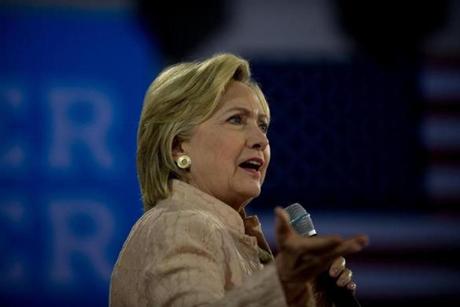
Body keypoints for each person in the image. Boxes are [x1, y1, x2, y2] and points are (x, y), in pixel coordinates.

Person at [109, 53, 368, 306]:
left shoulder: (222, 233)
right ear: (178, 147)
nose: (262, 140)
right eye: (236, 120)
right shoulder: (182, 224)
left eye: (263, 125)